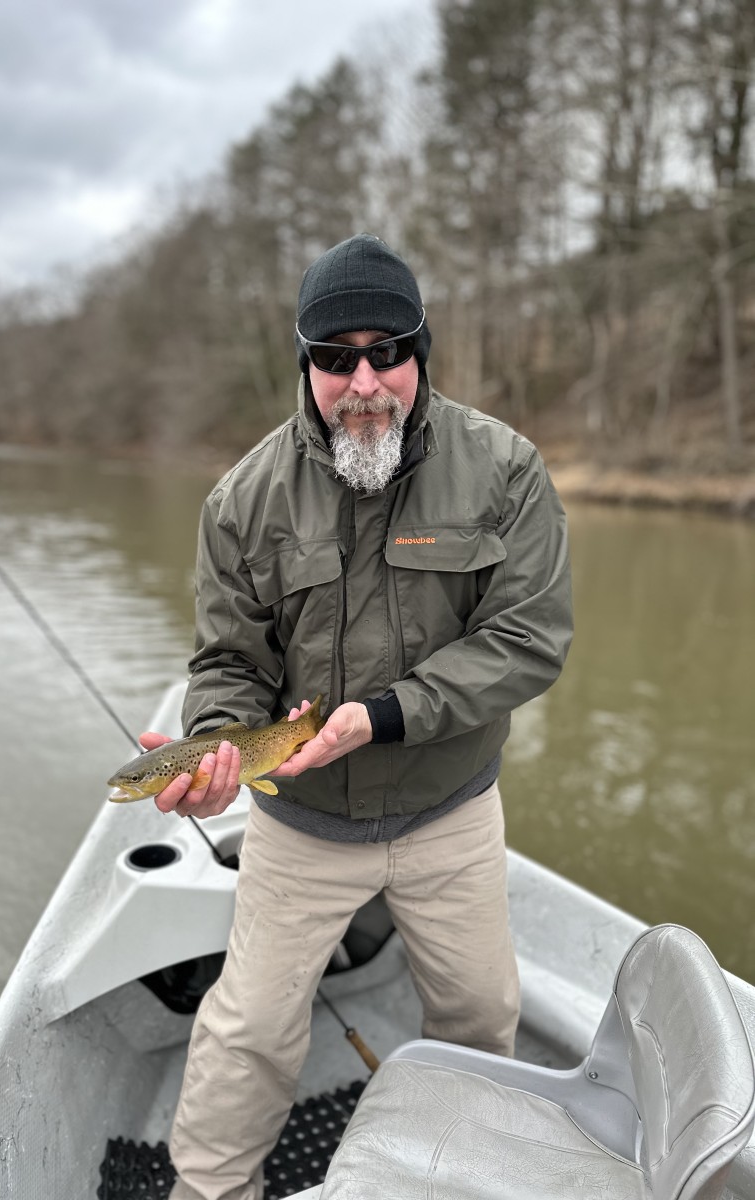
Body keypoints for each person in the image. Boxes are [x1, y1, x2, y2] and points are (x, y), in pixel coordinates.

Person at [139, 233, 573, 1200]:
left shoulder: (506, 470)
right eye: (336, 358)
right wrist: (217, 744)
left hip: (448, 810)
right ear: (307, 366)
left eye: (388, 352)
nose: (364, 379)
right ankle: (209, 1191)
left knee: (480, 1016)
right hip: (300, 822)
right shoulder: (242, 500)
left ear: (423, 354)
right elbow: (227, 662)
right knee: (248, 1030)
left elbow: (531, 637)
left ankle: (459, 1176)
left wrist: (385, 714)